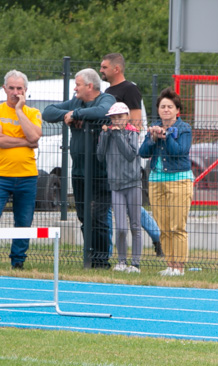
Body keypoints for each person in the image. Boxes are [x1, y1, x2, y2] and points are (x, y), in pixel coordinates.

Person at [43, 68, 116, 269]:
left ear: (90, 86)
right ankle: (89, 257)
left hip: (101, 173)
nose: (75, 88)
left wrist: (76, 114)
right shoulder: (75, 101)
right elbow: (48, 112)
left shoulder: (106, 99)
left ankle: (102, 261)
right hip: (79, 172)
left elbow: (102, 112)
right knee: (84, 217)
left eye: (78, 84)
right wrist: (70, 113)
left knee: (99, 218)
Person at [100, 52, 163, 257]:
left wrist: (126, 137)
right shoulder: (108, 90)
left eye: (104, 67)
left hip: (127, 153)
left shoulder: (130, 89)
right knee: (118, 208)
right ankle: (114, 254)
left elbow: (136, 122)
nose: (101, 70)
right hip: (112, 156)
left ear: (116, 69)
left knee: (133, 210)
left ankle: (156, 237)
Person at [139, 88, 193, 276]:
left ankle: (179, 267)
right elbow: (143, 152)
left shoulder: (184, 128)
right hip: (156, 181)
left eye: (170, 106)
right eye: (163, 106)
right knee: (163, 227)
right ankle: (170, 265)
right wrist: (153, 138)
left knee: (177, 226)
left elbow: (179, 151)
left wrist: (166, 134)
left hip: (179, 180)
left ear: (177, 110)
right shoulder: (154, 126)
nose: (166, 110)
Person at [0, 70, 42, 270]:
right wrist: (26, 142)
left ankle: (18, 261)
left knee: (24, 221)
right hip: (2, 175)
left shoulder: (32, 113)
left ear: (25, 90)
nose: (15, 92)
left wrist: (19, 110)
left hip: (27, 176)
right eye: (11, 88)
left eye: (19, 88)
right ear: (4, 89)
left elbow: (35, 137)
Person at [97, 102, 142, 273]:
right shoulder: (107, 133)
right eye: (113, 117)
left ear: (127, 117)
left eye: (120, 117)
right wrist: (106, 136)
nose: (117, 120)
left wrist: (117, 135)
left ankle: (135, 263)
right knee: (121, 227)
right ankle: (121, 261)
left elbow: (130, 154)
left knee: (135, 225)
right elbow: (100, 156)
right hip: (116, 185)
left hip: (133, 184)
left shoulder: (133, 133)